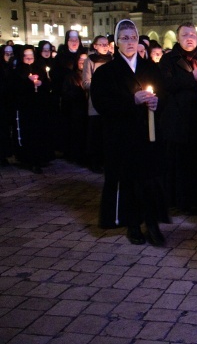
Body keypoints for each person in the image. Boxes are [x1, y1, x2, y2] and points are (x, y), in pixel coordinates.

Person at [91, 19, 169, 246]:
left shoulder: (151, 68)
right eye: (124, 38)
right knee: (128, 181)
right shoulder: (106, 72)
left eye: (133, 37)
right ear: (116, 42)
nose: (130, 42)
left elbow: (164, 95)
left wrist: (157, 103)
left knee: (150, 180)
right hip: (121, 136)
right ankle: (133, 224)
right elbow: (101, 102)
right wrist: (131, 100)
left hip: (149, 134)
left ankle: (153, 224)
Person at [159, 22, 197, 214]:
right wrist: (191, 78)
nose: (190, 37)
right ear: (178, 38)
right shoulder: (169, 60)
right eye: (185, 34)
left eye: (193, 34)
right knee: (183, 162)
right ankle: (184, 201)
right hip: (179, 118)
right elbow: (165, 84)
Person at [11, 45, 52, 174]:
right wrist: (27, 82)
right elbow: (14, 89)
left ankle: (41, 157)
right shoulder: (17, 71)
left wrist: (41, 84)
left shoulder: (39, 69)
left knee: (40, 132)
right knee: (29, 134)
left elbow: (47, 85)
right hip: (25, 108)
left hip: (39, 107)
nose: (29, 59)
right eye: (26, 57)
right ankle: (29, 159)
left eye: (31, 57)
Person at [83, 35, 113, 173]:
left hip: (110, 102)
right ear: (95, 46)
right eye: (101, 44)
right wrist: (100, 85)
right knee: (96, 133)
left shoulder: (112, 59)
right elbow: (86, 82)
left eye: (106, 44)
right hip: (96, 101)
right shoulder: (90, 60)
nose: (105, 46)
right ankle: (95, 161)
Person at [61, 50, 89, 165]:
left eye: (85, 59)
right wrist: (79, 93)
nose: (82, 62)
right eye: (80, 59)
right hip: (76, 110)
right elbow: (66, 93)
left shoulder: (91, 75)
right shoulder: (71, 76)